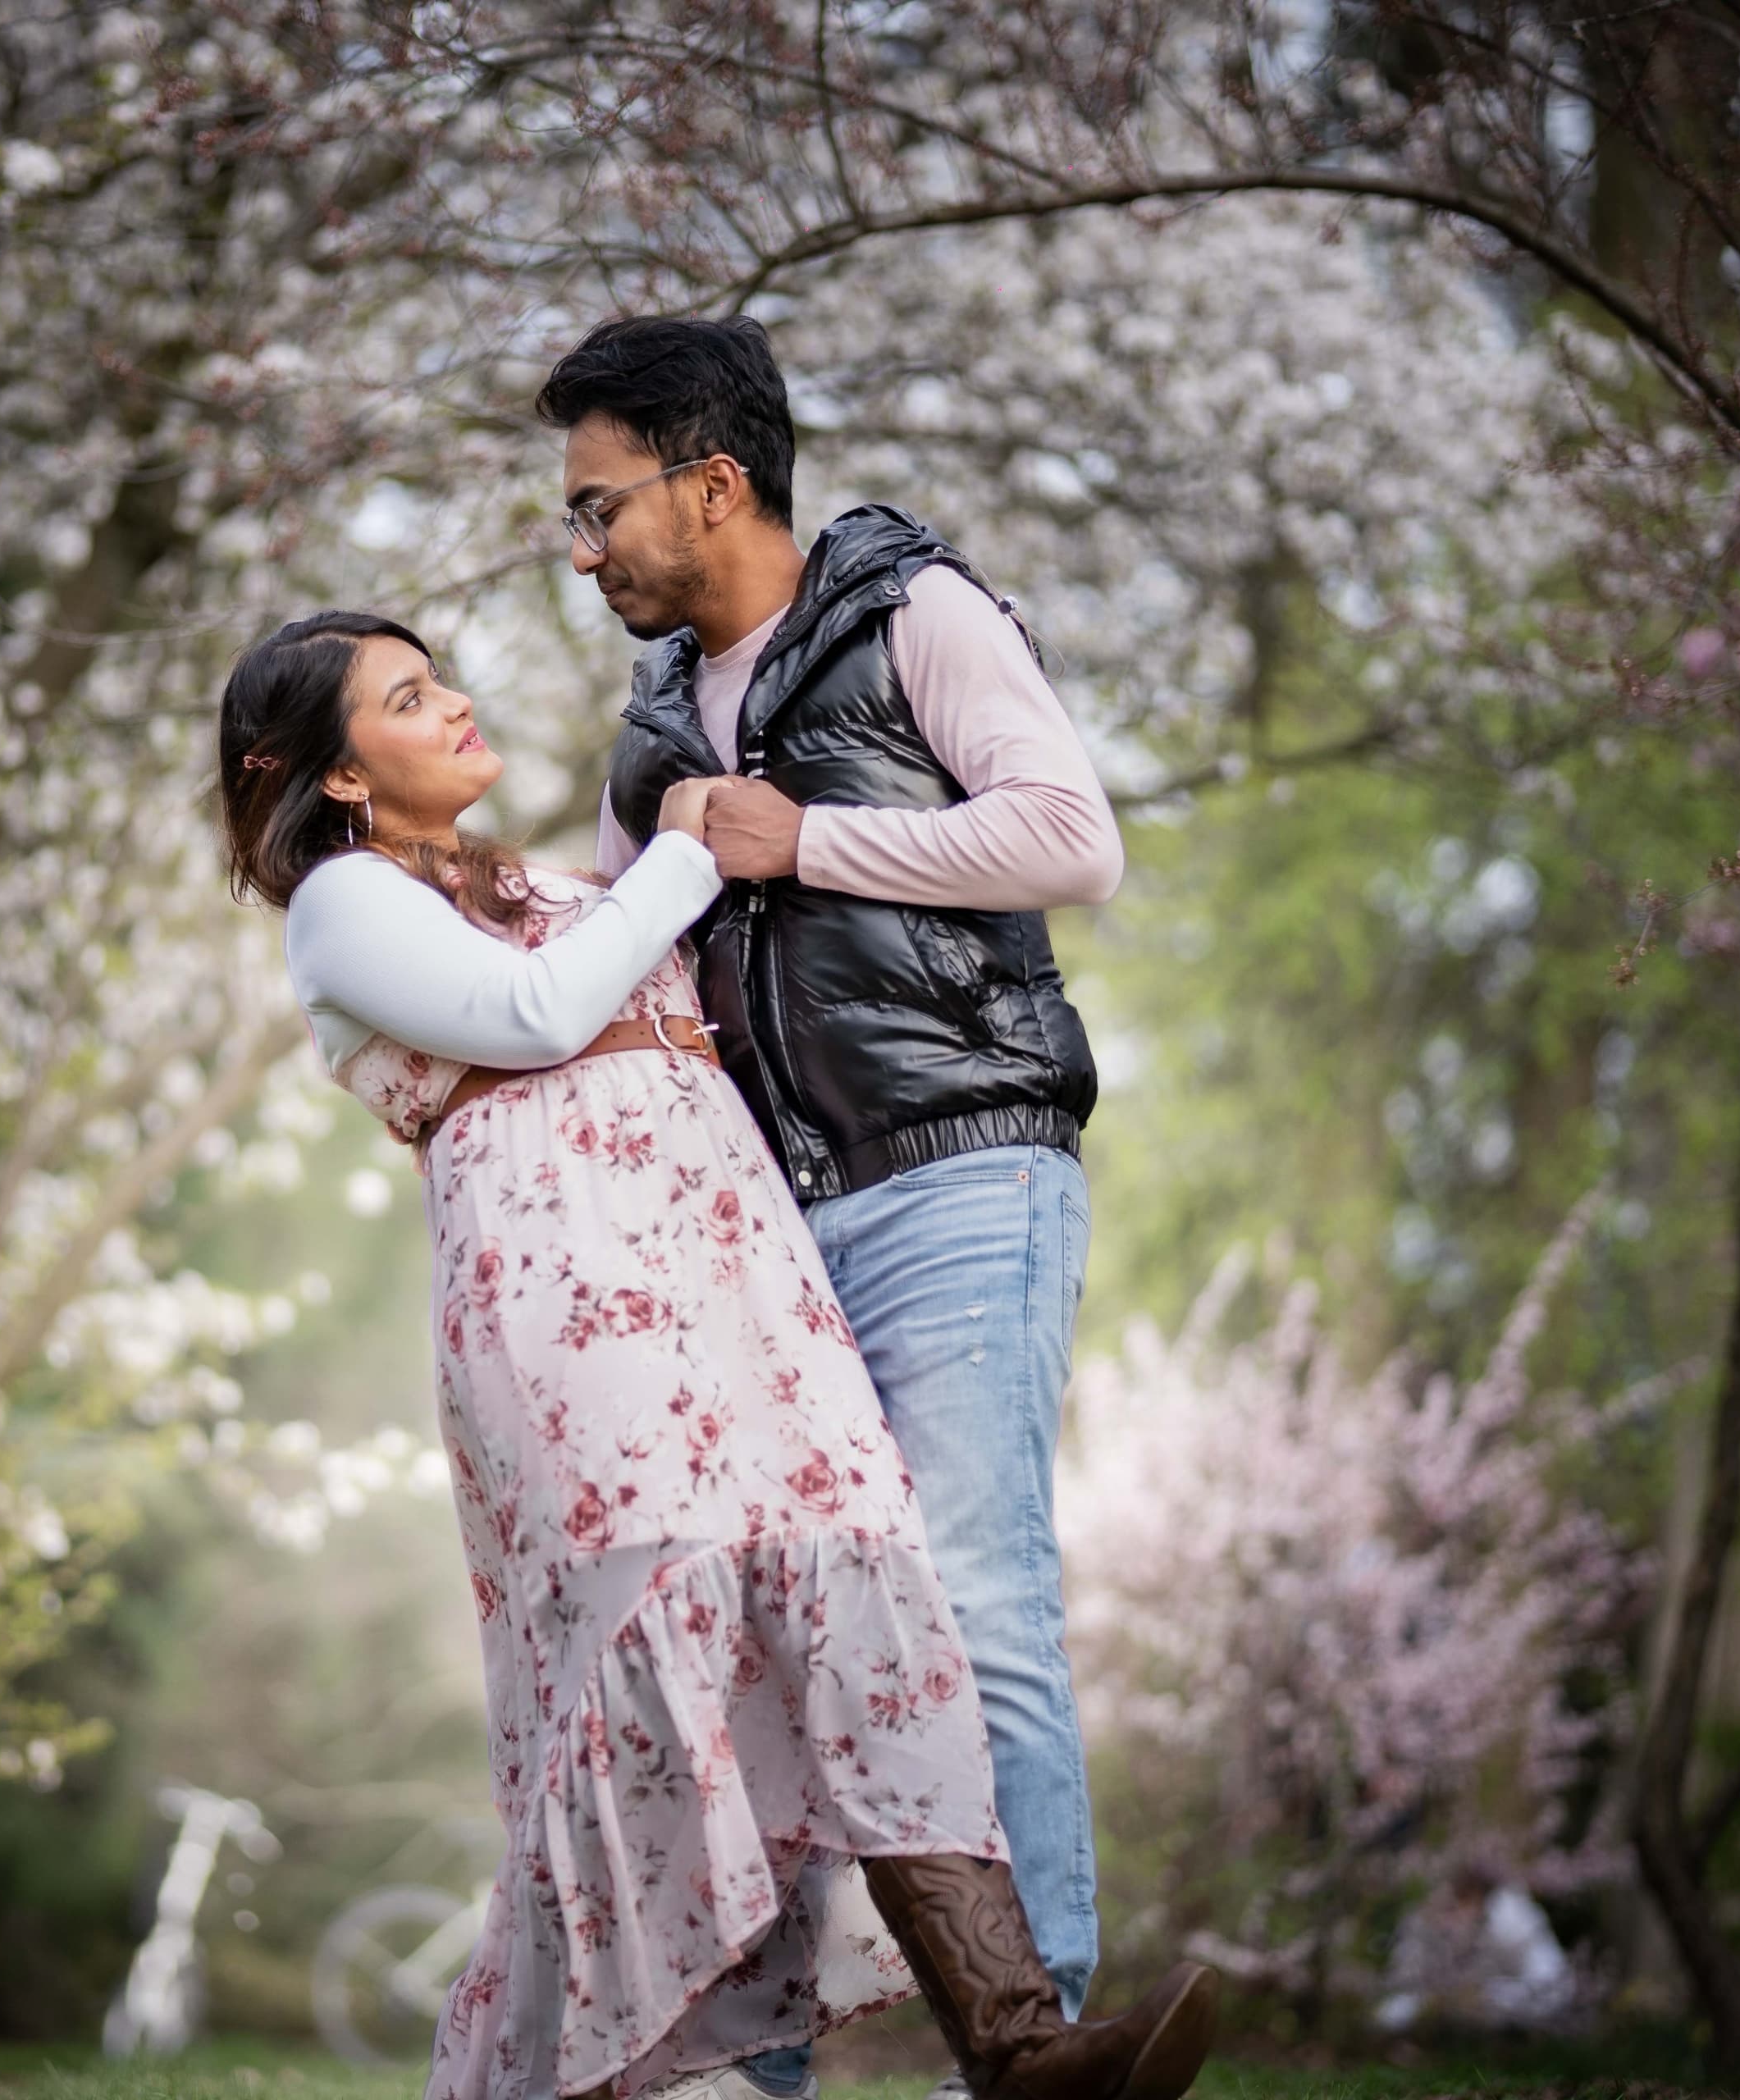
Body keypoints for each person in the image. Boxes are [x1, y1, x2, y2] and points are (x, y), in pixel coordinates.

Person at [216, 612, 1217, 2100]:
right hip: (578, 1307)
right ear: (338, 775)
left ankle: (1018, 2049)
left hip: (740, 1281)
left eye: (441, 680)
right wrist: (691, 843)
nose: (458, 705)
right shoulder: (342, 905)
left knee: (864, 1612)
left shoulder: (546, 883)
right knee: (660, 1666)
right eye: (410, 700)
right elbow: (534, 1012)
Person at [540, 315, 1134, 2100]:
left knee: (971, 1600)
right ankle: (756, 2072)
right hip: (765, 1246)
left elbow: (1069, 838)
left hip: (962, 1169)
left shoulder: (911, 613)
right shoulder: (649, 732)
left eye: (597, 507)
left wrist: (807, 839)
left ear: (712, 479)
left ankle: (1036, 2052)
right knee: (783, 1662)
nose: (582, 552)